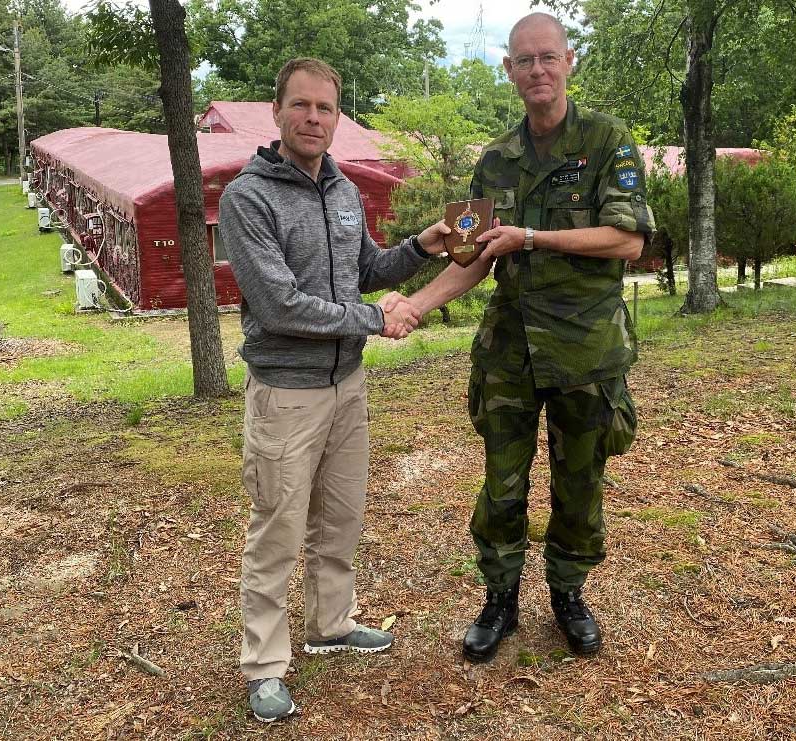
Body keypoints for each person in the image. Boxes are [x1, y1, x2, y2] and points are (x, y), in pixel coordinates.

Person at [408, 12, 655, 663]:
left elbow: (627, 239)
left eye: (548, 57)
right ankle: (500, 598)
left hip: (584, 350)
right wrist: (413, 304)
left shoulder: (607, 142)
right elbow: (471, 257)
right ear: (509, 70)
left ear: (569, 61)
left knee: (580, 483)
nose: (537, 70)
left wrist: (534, 238)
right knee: (502, 485)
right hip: (510, 355)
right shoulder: (493, 162)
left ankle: (569, 592)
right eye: (525, 60)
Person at [219, 57, 447, 722]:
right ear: (277, 110)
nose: (314, 118)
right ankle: (264, 664)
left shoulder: (342, 191)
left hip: (347, 385)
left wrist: (422, 245)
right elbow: (281, 305)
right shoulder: (248, 197)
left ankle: (331, 623)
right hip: (285, 393)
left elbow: (367, 268)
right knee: (278, 530)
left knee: (340, 518)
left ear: (338, 116)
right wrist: (380, 318)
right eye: (302, 106)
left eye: (325, 108)